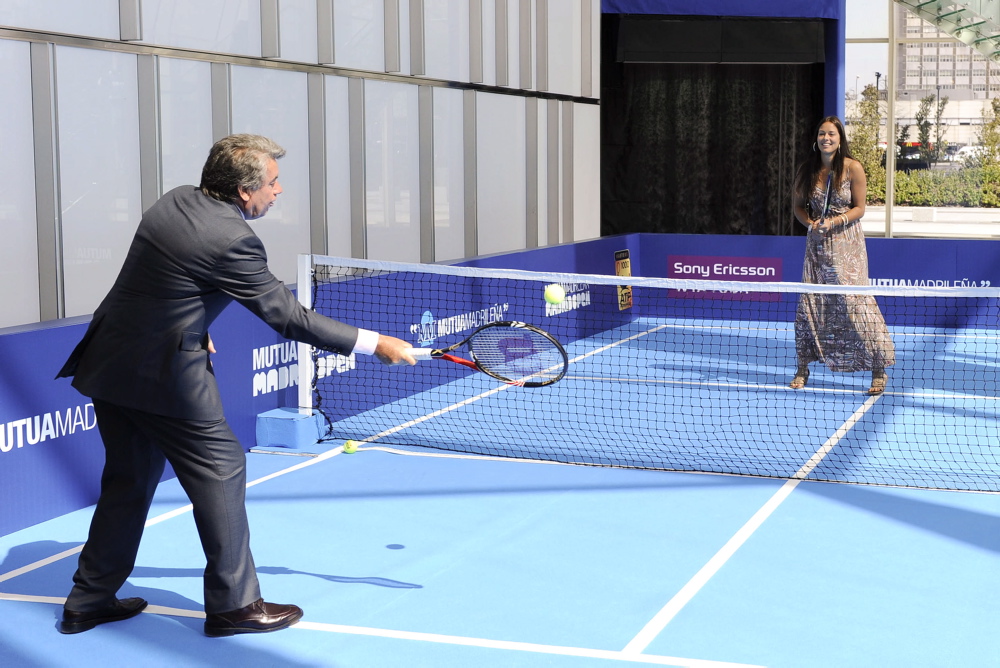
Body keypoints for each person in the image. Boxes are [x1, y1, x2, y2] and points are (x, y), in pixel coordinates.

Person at [55, 134, 417, 636]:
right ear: (245, 192)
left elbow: (164, 281)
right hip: (166, 379)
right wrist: (375, 343)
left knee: (128, 481)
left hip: (112, 364)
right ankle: (234, 606)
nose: (279, 190)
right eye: (272, 183)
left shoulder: (176, 200)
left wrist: (194, 329)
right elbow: (287, 317)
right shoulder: (233, 240)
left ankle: (88, 598)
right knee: (223, 468)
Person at [790, 116, 895, 394]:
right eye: (822, 133)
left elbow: (860, 208)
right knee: (811, 304)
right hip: (816, 246)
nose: (826, 138)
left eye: (832, 134)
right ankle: (802, 367)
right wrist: (810, 224)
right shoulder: (807, 169)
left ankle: (878, 369)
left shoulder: (853, 168)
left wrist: (834, 222)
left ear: (840, 139)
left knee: (854, 303)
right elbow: (799, 207)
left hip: (847, 243)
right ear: (817, 138)